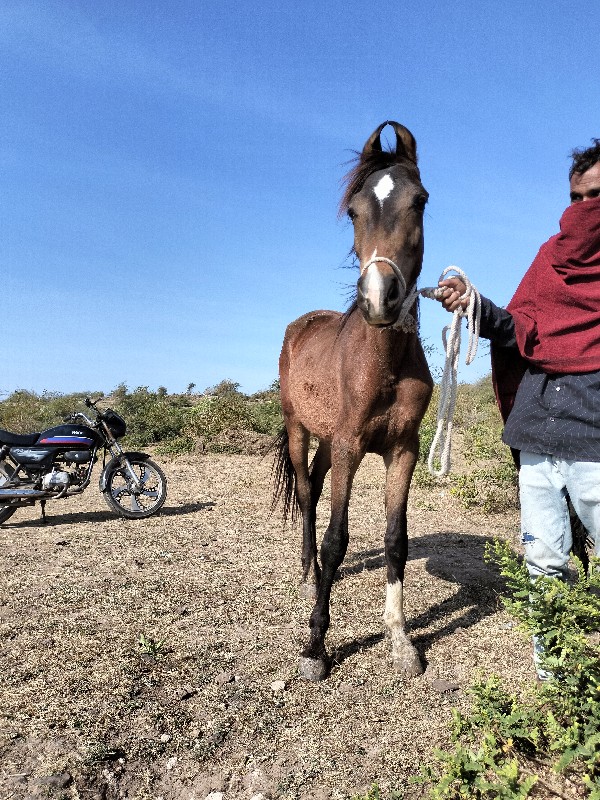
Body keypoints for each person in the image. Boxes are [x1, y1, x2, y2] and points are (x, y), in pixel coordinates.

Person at [437, 139, 600, 678]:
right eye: (576, 197)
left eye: (596, 197)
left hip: (595, 438)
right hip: (537, 435)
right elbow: (521, 327)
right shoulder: (548, 257)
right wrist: (474, 303)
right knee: (543, 565)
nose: (582, 210)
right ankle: (557, 686)